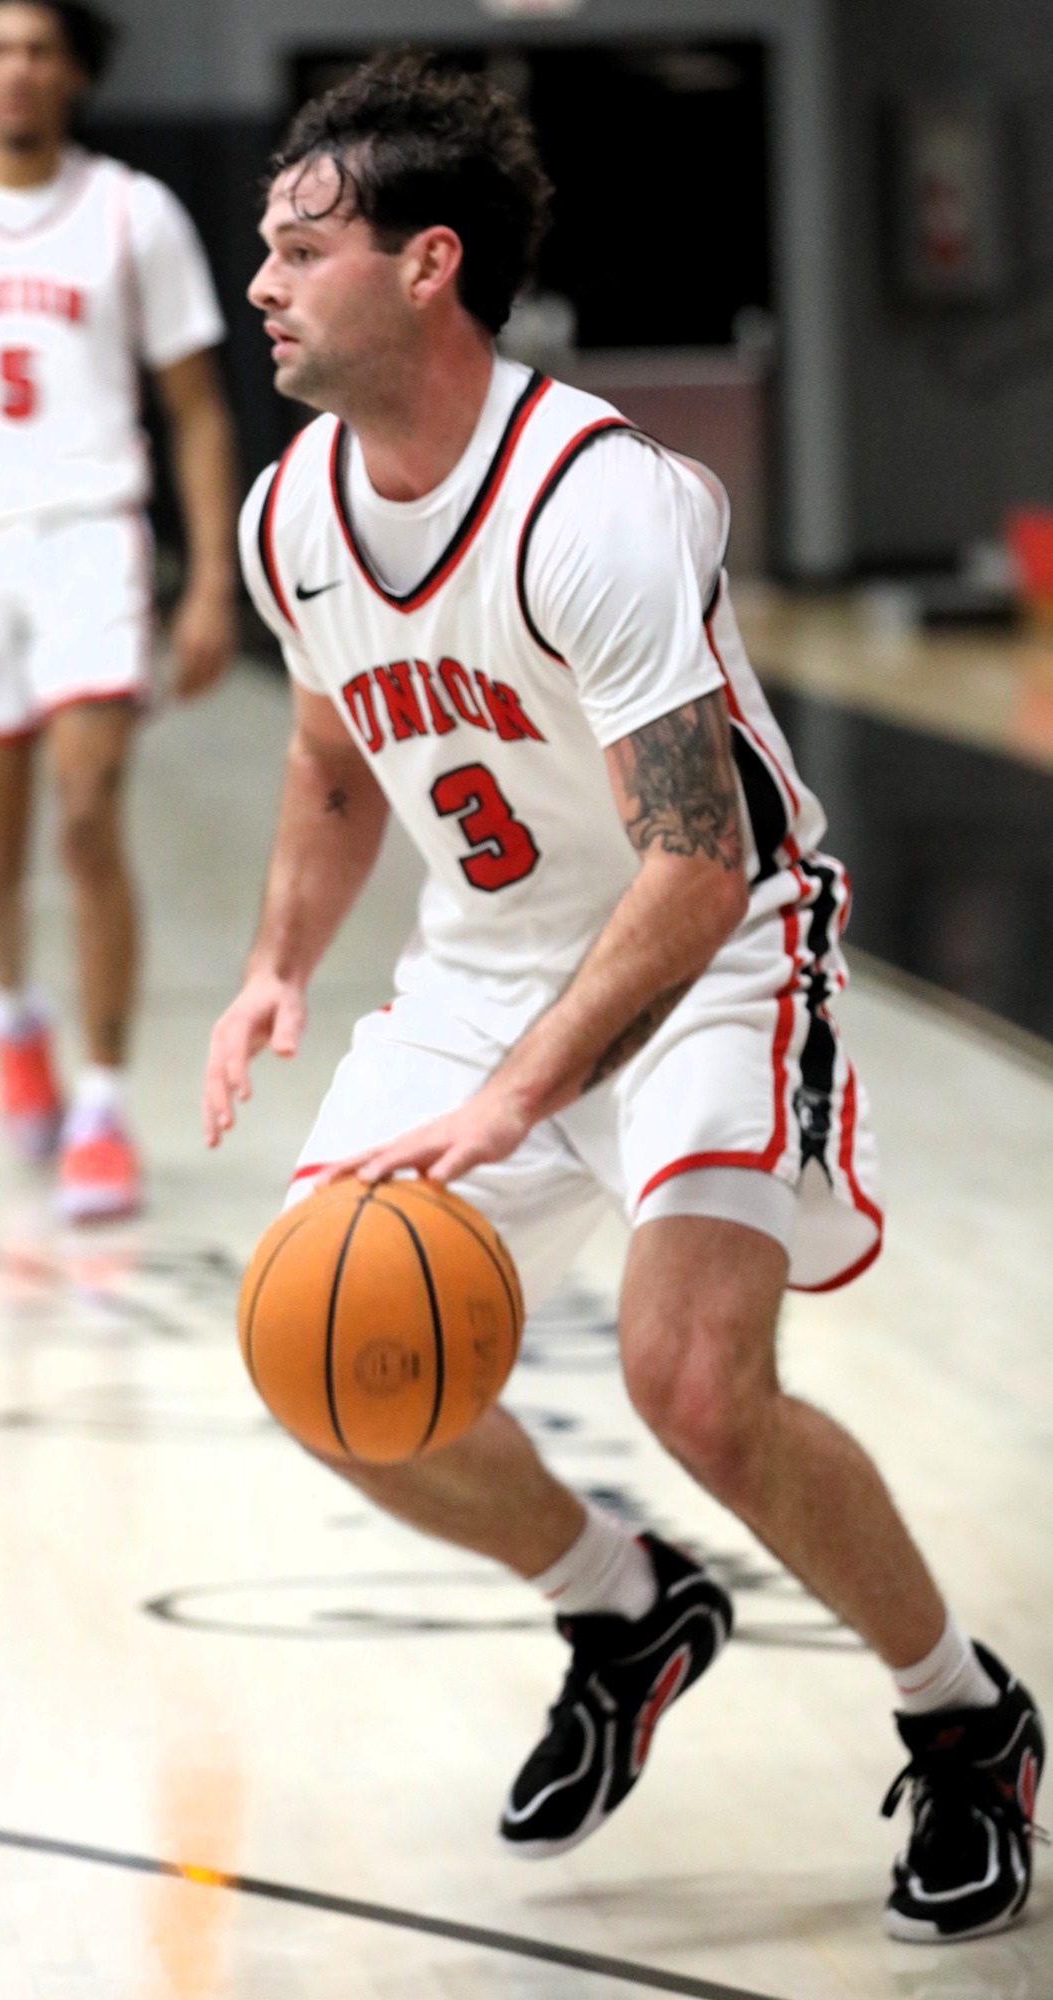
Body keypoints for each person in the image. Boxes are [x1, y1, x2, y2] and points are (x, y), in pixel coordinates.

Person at [203, 54, 1043, 1943]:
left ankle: (966, 1721)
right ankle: (621, 1603)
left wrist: (515, 1098)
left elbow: (695, 861)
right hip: (486, 962)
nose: (257, 281)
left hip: (724, 950)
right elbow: (338, 759)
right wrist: (274, 963)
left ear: (427, 266)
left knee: (691, 1381)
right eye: (260, 244)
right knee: (329, 1366)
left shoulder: (597, 501)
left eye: (297, 245)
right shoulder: (290, 518)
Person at [0, 0, 237, 1222]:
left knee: (84, 819)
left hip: (88, 536)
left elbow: (198, 409)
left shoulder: (133, 210)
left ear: (73, 70)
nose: (17, 70)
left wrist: (214, 578)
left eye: (38, 49)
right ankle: (13, 1013)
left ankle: (104, 1103)